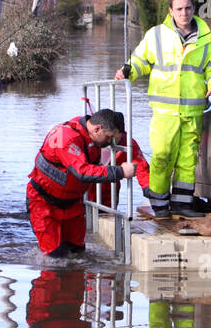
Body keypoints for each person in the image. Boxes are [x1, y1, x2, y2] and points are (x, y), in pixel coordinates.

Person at [115, 0, 211, 218]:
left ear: (194, 9)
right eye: (179, 9)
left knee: (187, 160)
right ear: (171, 11)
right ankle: (160, 205)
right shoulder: (157, 35)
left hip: (193, 110)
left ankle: (183, 205)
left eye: (188, 8)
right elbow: (140, 61)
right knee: (163, 156)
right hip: (164, 111)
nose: (184, 13)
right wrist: (128, 71)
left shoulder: (208, 38)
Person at [27, 107, 136, 257]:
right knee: (54, 257)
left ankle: (76, 278)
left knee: (77, 252)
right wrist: (120, 172)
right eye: (109, 137)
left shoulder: (90, 134)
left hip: (72, 204)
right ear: (97, 129)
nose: (110, 143)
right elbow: (82, 171)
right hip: (44, 202)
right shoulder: (67, 138)